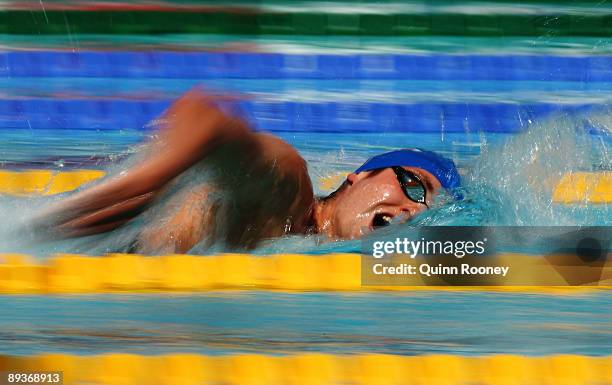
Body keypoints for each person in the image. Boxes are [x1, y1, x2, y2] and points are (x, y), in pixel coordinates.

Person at [35, 89, 461, 254]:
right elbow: (209, 117)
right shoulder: (289, 190)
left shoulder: (308, 247)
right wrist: (150, 184)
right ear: (358, 176)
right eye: (412, 184)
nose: (412, 210)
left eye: (429, 211)